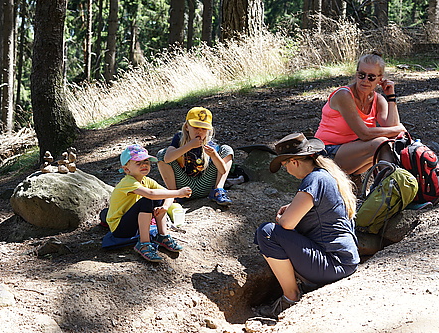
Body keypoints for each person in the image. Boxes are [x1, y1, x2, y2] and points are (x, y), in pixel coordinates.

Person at [254, 133, 360, 319]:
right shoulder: (326, 175)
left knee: (267, 233)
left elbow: (286, 224)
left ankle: (291, 297)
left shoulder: (314, 179)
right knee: (266, 235)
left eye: (285, 165)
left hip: (334, 264)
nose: (286, 170)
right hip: (344, 260)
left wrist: (282, 218)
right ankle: (306, 284)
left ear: (294, 161)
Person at [314, 51, 406, 175]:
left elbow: (392, 128)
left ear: (380, 79)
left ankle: (391, 185)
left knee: (391, 143)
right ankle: (390, 187)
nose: (365, 80)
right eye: (362, 75)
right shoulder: (344, 95)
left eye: (371, 77)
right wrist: (399, 129)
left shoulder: (378, 100)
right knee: (381, 143)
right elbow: (364, 134)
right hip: (325, 153)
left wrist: (391, 97)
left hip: (353, 154)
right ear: (356, 74)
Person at [106, 144, 192, 262]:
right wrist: (178, 193)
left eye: (146, 161)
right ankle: (144, 243)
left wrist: (165, 207)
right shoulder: (127, 182)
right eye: (138, 162)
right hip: (120, 229)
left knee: (160, 197)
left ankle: (162, 236)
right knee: (148, 199)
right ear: (126, 169)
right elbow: (151, 194)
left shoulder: (146, 180)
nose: (144, 165)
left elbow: (166, 193)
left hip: (134, 224)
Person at [157, 107, 234, 206]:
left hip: (205, 183)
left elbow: (222, 170)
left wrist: (214, 156)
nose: (199, 132)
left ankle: (218, 190)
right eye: (196, 127)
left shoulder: (210, 144)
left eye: (204, 129)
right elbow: (167, 159)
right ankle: (174, 195)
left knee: (227, 149)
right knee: (162, 153)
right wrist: (189, 146)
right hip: (184, 186)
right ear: (186, 127)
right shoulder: (179, 138)